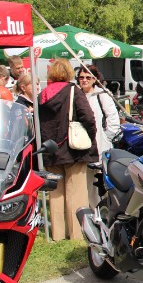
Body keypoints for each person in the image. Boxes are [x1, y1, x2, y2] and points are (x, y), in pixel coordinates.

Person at [38, 58, 98, 241]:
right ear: (69, 73)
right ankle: (77, 233)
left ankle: (58, 233)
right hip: (73, 148)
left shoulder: (42, 94)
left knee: (55, 192)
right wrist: (90, 136)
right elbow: (88, 117)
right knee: (76, 191)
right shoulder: (74, 91)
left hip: (50, 148)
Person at [77, 65, 120, 207]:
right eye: (81, 77)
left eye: (88, 77)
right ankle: (91, 208)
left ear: (94, 79)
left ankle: (104, 207)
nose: (84, 80)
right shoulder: (77, 95)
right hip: (82, 145)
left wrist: (107, 137)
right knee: (87, 182)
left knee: (101, 181)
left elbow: (113, 119)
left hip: (101, 144)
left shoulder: (102, 95)